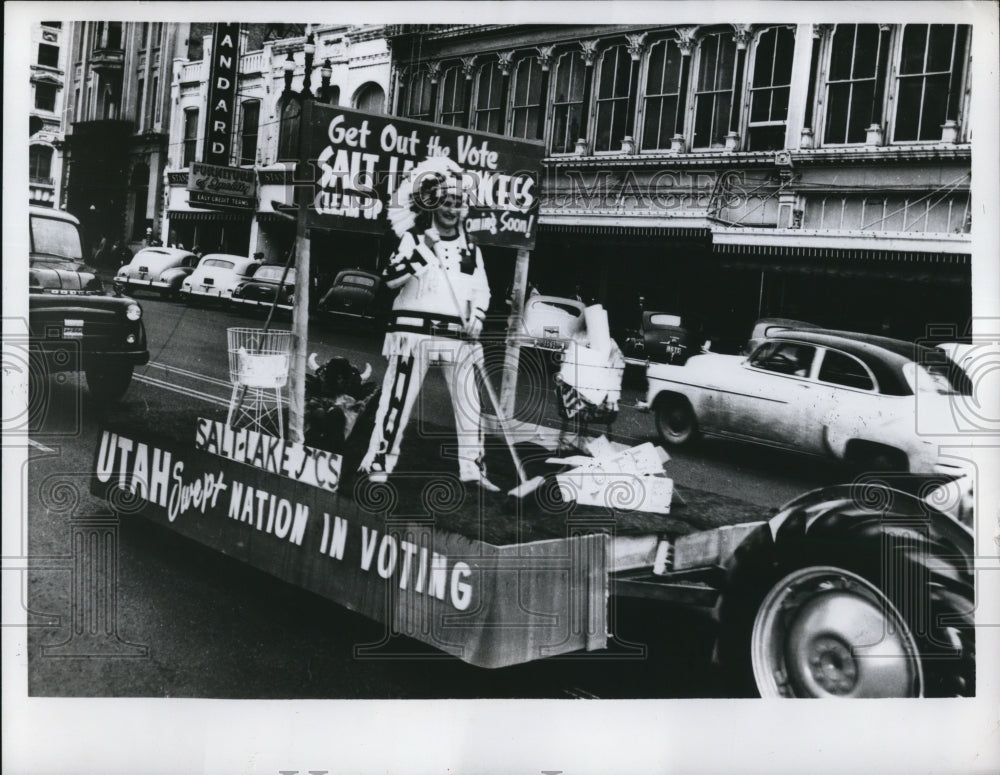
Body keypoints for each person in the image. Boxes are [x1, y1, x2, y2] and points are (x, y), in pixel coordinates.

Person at [359, 156, 497, 490]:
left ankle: (472, 469)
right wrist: (424, 253)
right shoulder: (413, 240)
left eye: (458, 204)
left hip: (458, 336)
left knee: (470, 404)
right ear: (435, 205)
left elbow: (483, 290)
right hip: (413, 335)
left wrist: (477, 317)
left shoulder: (471, 250)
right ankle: (379, 461)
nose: (452, 209)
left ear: (464, 209)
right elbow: (389, 280)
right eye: (446, 203)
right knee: (397, 401)